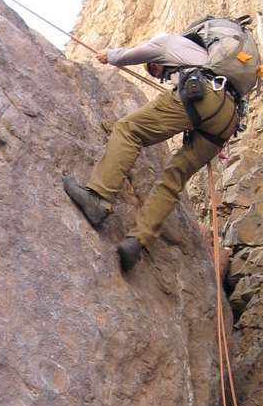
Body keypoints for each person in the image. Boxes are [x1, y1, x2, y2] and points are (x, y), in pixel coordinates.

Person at [63, 31, 240, 274]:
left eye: (155, 70)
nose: (158, 76)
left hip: (202, 94)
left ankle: (98, 198)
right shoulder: (209, 59)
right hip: (228, 119)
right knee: (174, 179)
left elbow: (132, 55)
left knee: (128, 130)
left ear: (158, 60)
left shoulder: (167, 41)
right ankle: (136, 243)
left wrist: (110, 55)